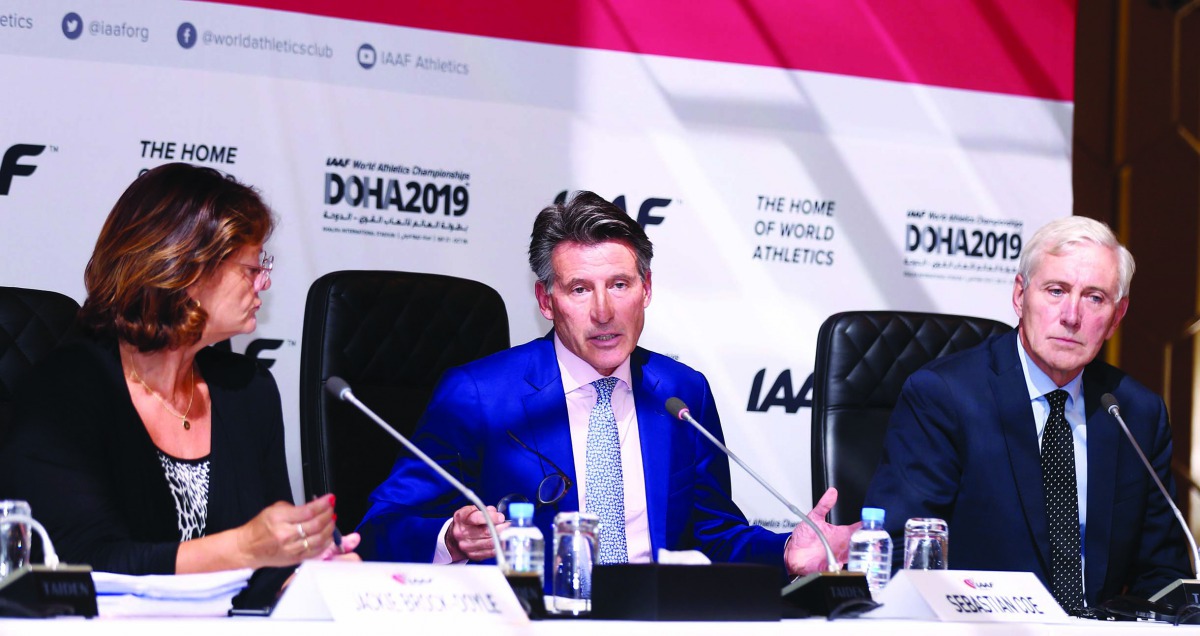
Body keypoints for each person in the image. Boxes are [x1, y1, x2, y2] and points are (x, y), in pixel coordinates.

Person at [358, 191, 855, 580]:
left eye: (619, 285)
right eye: (579, 289)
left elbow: (713, 533)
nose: (603, 311)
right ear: (546, 300)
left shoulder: (681, 392)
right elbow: (381, 528)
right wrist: (452, 537)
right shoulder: (479, 395)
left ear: (647, 289)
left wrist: (787, 550)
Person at [0, 163, 359, 574]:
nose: (265, 283)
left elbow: (266, 564)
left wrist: (305, 564)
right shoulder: (65, 389)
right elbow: (82, 561)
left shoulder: (249, 390)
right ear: (186, 270)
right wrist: (243, 548)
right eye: (252, 268)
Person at [864, 216, 1190, 611]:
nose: (1072, 315)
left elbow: (1163, 572)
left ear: (1116, 317)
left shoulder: (1136, 414)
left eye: (1094, 298)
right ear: (1020, 296)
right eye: (1056, 290)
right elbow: (903, 550)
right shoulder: (944, 397)